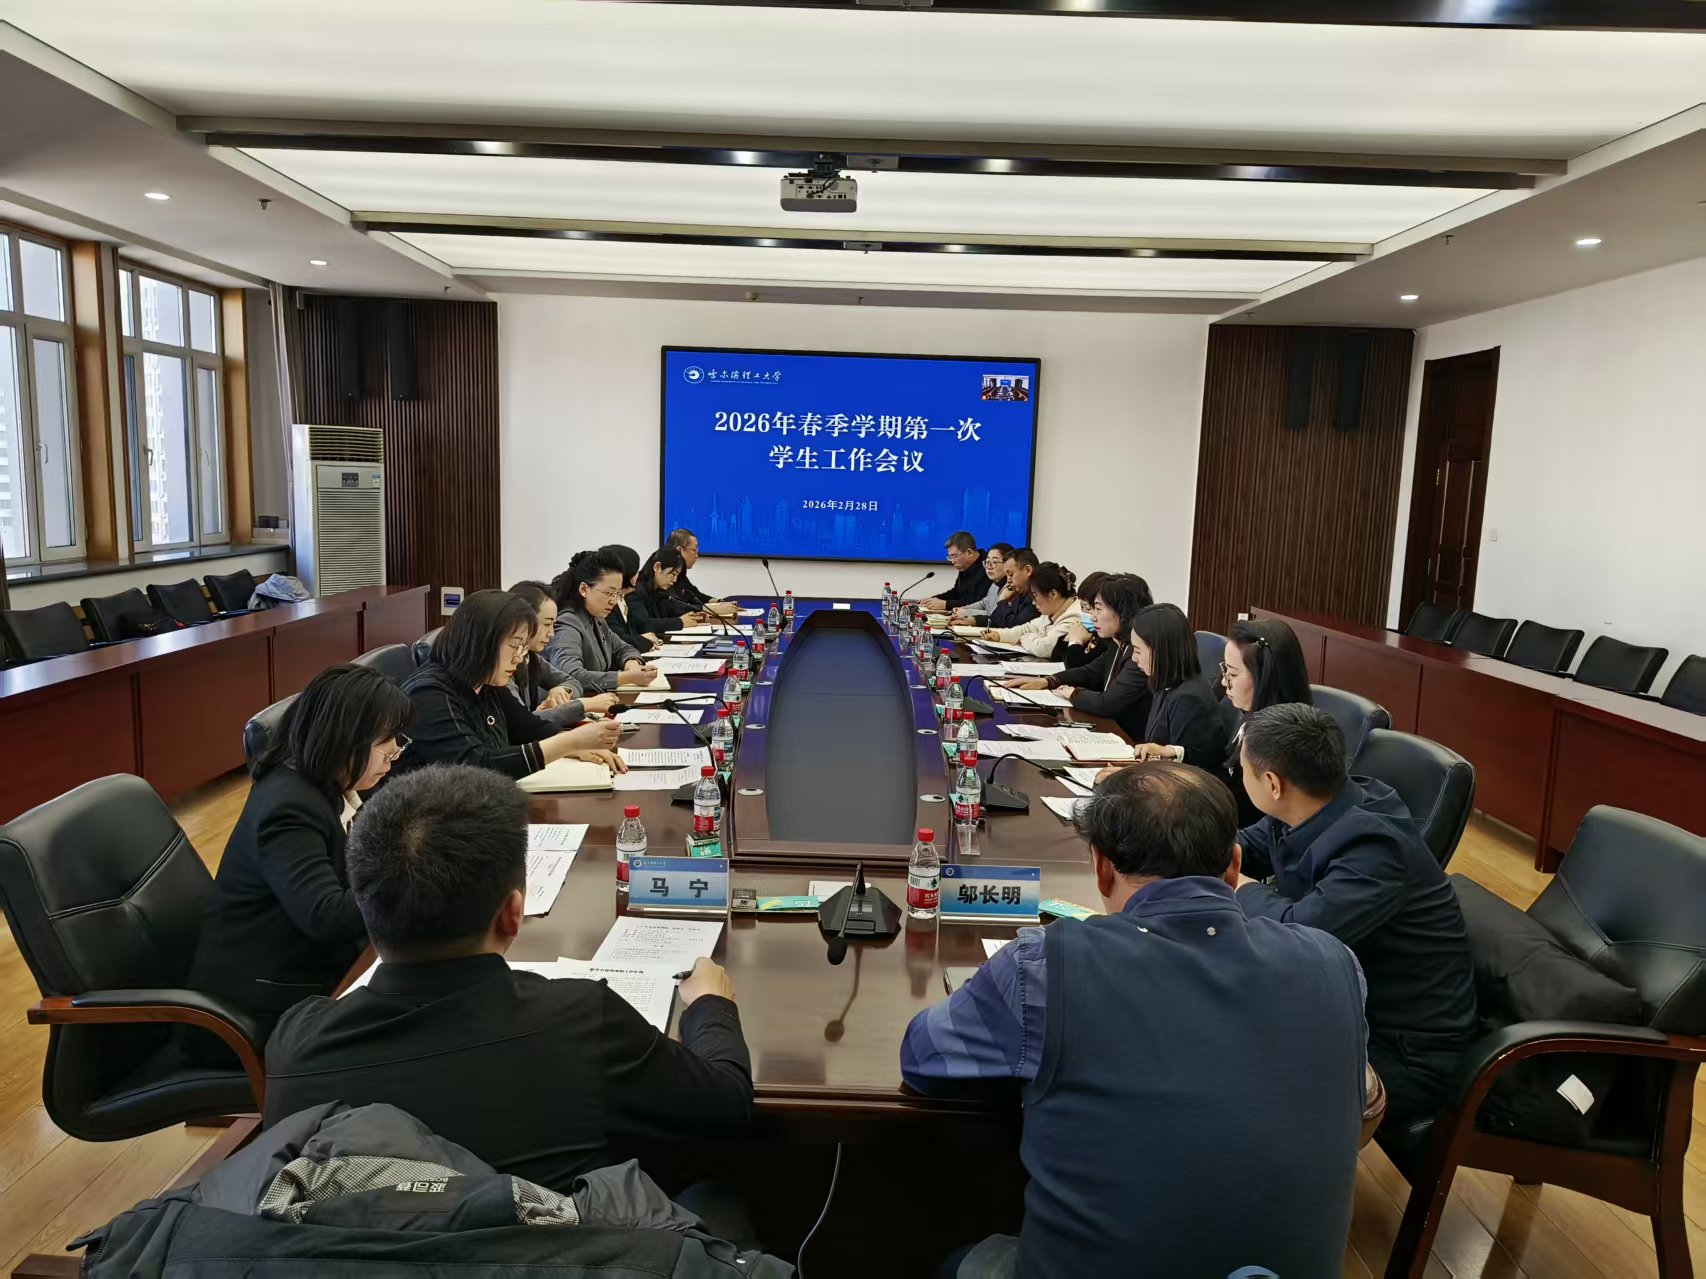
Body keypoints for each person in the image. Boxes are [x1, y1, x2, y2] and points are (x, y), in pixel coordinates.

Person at [902, 763, 1367, 1278]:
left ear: (1100, 868)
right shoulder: (1336, 963)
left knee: (959, 1260)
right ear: (1234, 867)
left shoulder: (1045, 965)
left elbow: (923, 1057)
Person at [265, 764, 755, 1192]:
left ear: (363, 901)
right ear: (513, 913)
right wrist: (710, 1006)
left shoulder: (296, 1044)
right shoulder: (580, 1020)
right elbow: (727, 1107)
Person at [1235, 703, 1478, 1122]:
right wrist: (1198, 847)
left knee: (1227, 1068)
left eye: (1243, 771)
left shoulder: (1375, 847)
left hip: (1400, 1050)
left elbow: (1299, 933)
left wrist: (1238, 884)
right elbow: (1249, 846)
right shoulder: (1311, 802)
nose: (1242, 777)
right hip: (1337, 1001)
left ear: (1272, 783)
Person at [187, 665, 410, 1029]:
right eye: (386, 740)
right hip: (264, 1004)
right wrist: (415, 878)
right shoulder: (288, 808)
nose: (395, 752)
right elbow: (326, 916)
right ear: (344, 738)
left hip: (315, 967)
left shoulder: (329, 784)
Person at [399, 589, 623, 780]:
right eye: (515, 646)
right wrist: (569, 742)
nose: (518, 658)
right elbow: (476, 766)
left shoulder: (486, 682)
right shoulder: (428, 693)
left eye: (524, 648)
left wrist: (579, 747)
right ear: (481, 642)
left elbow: (529, 729)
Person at [1002, 573, 1153, 739]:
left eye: (1098, 609)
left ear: (1123, 613)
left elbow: (1107, 703)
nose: (1093, 616)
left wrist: (1073, 693)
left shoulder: (1139, 654)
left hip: (1129, 741)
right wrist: (1048, 681)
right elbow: (1091, 671)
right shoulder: (1118, 643)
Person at [1218, 617, 1313, 826]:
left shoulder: (1282, 744)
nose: (1224, 681)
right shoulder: (1248, 713)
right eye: (1225, 670)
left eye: (1232, 673)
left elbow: (1254, 817)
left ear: (1264, 678)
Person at [1126, 603, 1228, 770]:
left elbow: (1186, 769)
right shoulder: (1165, 683)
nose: (1133, 658)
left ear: (1161, 651)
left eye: (1137, 650)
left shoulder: (1188, 699)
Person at [505, 581, 618, 730]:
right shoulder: (503, 666)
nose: (551, 634)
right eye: (547, 624)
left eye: (553, 625)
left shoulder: (530, 657)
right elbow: (523, 724)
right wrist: (584, 705)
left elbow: (572, 682)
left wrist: (562, 690)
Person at [546, 549, 660, 693]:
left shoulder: (597, 618)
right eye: (609, 593)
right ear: (584, 589)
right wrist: (627, 677)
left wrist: (632, 664)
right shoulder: (567, 625)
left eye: (617, 594)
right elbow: (571, 676)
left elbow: (624, 648)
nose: (613, 601)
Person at [980, 561, 1078, 659]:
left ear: (1053, 594)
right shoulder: (1051, 613)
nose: (1033, 602)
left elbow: (1044, 648)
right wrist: (998, 635)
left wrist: (1024, 639)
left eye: (1035, 596)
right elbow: (1026, 629)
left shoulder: (1074, 617)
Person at [630, 546, 709, 636]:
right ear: (657, 567)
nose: (675, 580)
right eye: (673, 574)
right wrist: (680, 622)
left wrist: (694, 616)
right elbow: (643, 625)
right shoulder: (635, 590)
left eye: (677, 575)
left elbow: (670, 610)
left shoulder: (659, 591)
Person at [664, 528, 734, 616]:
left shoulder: (680, 575)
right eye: (694, 550)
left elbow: (696, 595)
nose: (697, 555)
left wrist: (720, 602)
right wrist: (714, 609)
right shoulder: (664, 574)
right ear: (679, 550)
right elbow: (674, 606)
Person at [1050, 568, 1107, 669]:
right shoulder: (1086, 630)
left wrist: (1075, 642)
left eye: (1088, 608)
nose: (1084, 613)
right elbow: (1056, 657)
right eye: (1082, 607)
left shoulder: (1105, 638)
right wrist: (1070, 636)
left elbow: (1076, 667)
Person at [921, 531, 987, 612]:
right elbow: (957, 592)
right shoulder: (965, 566)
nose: (952, 561)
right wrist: (934, 599)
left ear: (969, 552)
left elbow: (979, 603)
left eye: (954, 556)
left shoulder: (988, 567)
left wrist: (946, 604)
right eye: (950, 557)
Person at [949, 543, 1012, 624]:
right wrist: (963, 609)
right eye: (987, 562)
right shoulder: (994, 585)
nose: (989, 567)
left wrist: (966, 613)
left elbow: (994, 615)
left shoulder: (1011, 587)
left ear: (1008, 564)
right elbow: (984, 603)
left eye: (994, 562)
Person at [987, 547, 1039, 631]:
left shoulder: (1038, 596)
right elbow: (997, 620)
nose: (1008, 580)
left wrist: (1002, 601)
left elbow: (1015, 626)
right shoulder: (1019, 593)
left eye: (1011, 574)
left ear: (1028, 570)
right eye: (1007, 575)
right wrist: (974, 620)